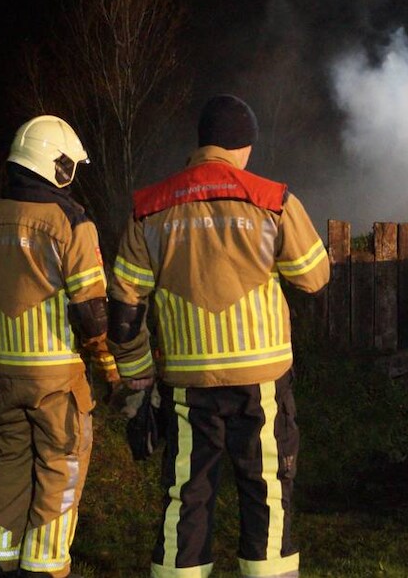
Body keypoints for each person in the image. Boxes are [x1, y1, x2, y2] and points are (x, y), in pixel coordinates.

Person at [107, 95, 330, 578]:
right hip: (262, 383)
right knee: (267, 491)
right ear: (243, 145)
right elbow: (314, 275)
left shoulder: (149, 209)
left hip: (188, 387)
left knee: (186, 495)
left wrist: (138, 382)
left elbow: (124, 312)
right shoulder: (273, 200)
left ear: (202, 143)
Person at [0, 115, 116, 578]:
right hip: (58, 379)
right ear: (56, 165)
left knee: (9, 467)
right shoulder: (71, 222)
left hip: (5, 376)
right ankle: (43, 568)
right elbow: (92, 315)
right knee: (60, 472)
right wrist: (108, 369)